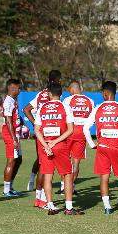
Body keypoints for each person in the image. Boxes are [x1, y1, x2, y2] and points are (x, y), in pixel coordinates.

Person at [83, 81, 118, 215]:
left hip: (102, 147)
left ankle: (107, 207)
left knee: (104, 177)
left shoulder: (98, 108)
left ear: (105, 93)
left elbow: (85, 128)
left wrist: (92, 144)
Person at [33, 82, 82, 215]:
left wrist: (46, 145)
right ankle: (69, 208)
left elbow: (37, 130)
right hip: (60, 145)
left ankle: (50, 206)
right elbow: (70, 130)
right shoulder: (65, 107)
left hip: (45, 146)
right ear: (61, 94)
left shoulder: (42, 108)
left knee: (48, 177)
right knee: (67, 175)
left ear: (49, 94)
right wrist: (55, 142)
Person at [23, 69, 61, 207]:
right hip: (50, 135)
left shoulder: (40, 94)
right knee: (47, 166)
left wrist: (36, 125)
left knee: (43, 164)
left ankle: (39, 198)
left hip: (41, 134)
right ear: (57, 80)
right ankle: (42, 200)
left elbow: (26, 109)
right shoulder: (54, 95)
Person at [62, 80, 94, 195]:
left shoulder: (67, 100)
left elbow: (64, 117)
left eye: (69, 90)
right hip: (82, 133)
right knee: (76, 162)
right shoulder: (90, 101)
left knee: (65, 160)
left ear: (72, 89)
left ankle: (64, 186)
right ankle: (72, 186)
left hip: (70, 131)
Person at [0, 78, 23, 197]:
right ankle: (6, 190)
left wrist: (23, 127)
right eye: (19, 88)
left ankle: (10, 186)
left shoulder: (13, 100)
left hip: (16, 134)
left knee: (18, 160)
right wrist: (14, 138)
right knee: (11, 160)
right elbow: (8, 121)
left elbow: (15, 118)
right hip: (10, 135)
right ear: (13, 88)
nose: (20, 90)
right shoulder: (8, 101)